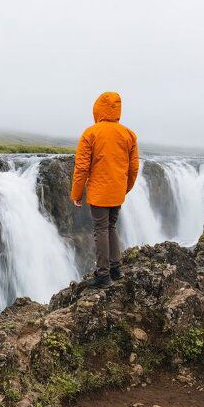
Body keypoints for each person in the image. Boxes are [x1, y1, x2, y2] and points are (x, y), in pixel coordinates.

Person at [70, 92, 139, 287]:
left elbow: (82, 167)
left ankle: (103, 275)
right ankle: (116, 269)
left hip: (99, 193)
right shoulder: (128, 134)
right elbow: (133, 168)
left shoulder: (90, 133)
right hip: (117, 191)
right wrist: (125, 188)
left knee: (100, 229)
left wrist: (77, 193)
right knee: (111, 227)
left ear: (97, 109)